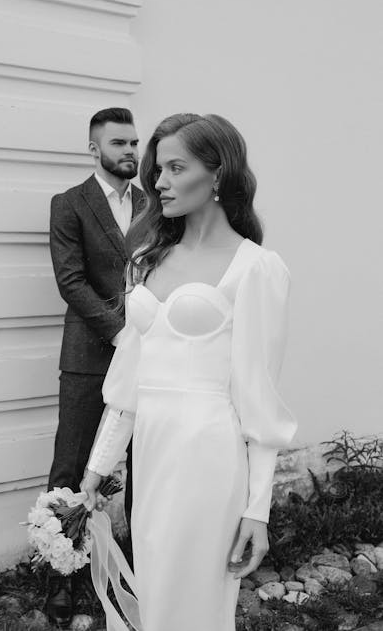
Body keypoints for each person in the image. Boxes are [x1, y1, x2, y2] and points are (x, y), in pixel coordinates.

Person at [81, 113, 297, 631]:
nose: (159, 182)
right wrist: (96, 468)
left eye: (176, 168)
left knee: (195, 599)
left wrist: (258, 511)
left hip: (209, 454)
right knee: (156, 589)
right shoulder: (148, 258)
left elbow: (260, 400)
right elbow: (129, 382)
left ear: (218, 174)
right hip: (153, 453)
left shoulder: (255, 268)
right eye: (158, 169)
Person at [46, 107, 145, 626]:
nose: (130, 151)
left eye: (134, 142)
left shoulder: (156, 204)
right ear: (94, 149)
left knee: (145, 463)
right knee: (71, 463)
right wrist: (121, 331)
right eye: (119, 143)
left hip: (151, 358)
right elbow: (71, 280)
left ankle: (141, 564)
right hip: (90, 354)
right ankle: (61, 575)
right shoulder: (70, 204)